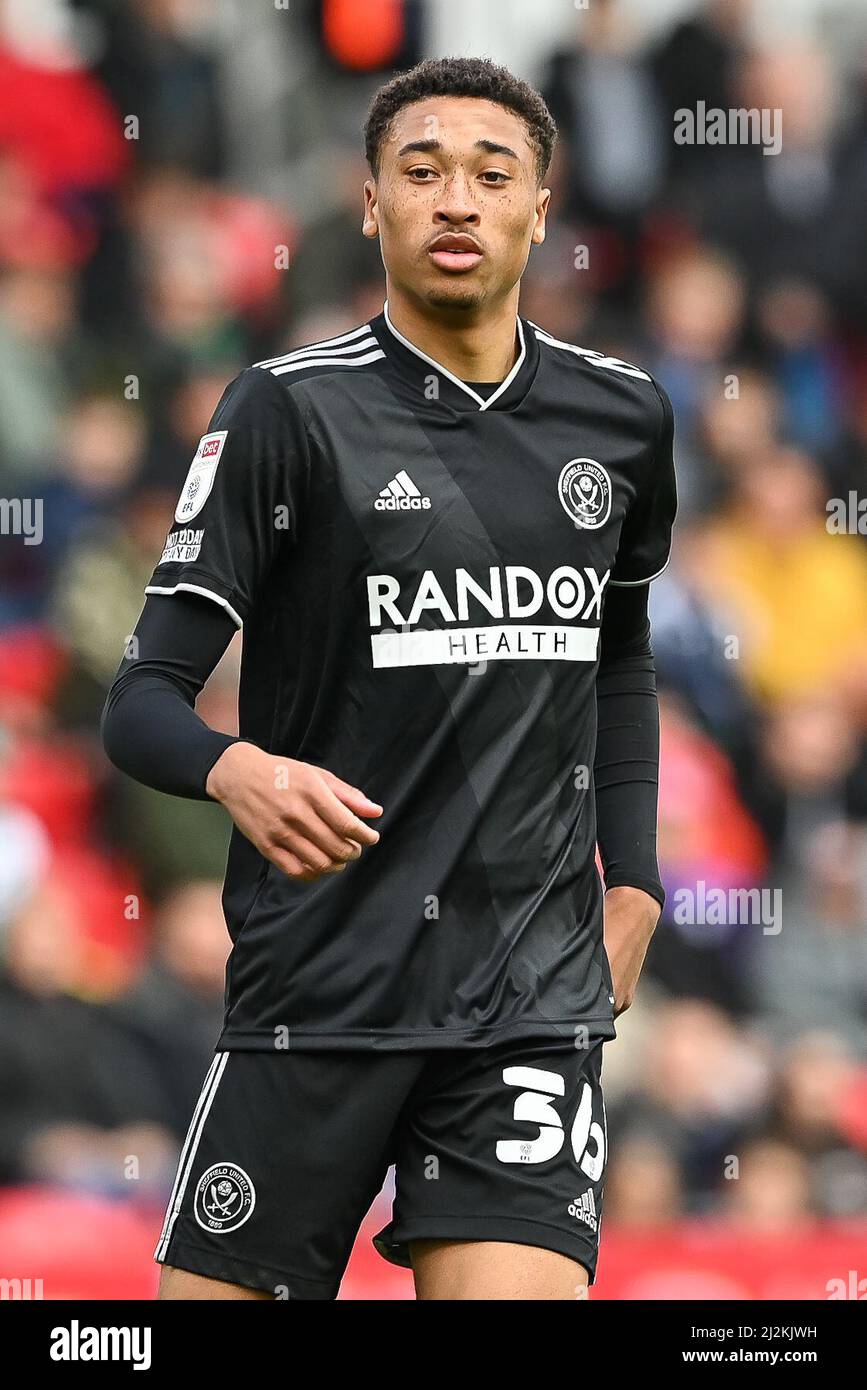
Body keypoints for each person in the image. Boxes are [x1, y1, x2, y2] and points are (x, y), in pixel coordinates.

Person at [102, 56, 676, 1301]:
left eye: (490, 173)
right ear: (370, 203)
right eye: (420, 172)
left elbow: (617, 653)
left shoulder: (623, 418)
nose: (455, 200)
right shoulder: (284, 413)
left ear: (542, 204)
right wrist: (233, 767)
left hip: (526, 996)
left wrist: (633, 881)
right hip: (320, 988)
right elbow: (140, 697)